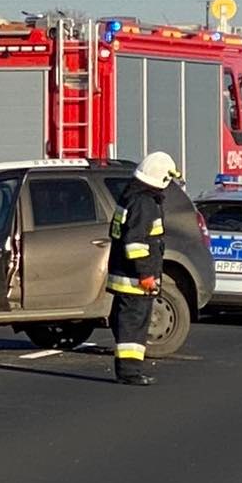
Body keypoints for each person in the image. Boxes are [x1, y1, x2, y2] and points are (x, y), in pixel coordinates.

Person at [107, 151, 176, 386]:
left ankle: (128, 369)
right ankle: (130, 372)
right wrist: (145, 274)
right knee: (133, 327)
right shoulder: (145, 203)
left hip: (125, 274)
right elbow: (135, 244)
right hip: (135, 279)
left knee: (126, 322)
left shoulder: (131, 197)